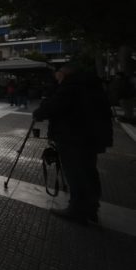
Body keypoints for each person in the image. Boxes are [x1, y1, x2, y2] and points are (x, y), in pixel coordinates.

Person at [33, 64, 113, 224]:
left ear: (63, 73)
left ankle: (77, 209)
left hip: (73, 138)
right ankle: (91, 207)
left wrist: (39, 112)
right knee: (89, 172)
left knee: (75, 173)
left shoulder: (71, 87)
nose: (56, 77)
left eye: (57, 74)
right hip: (92, 137)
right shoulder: (93, 86)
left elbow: (52, 107)